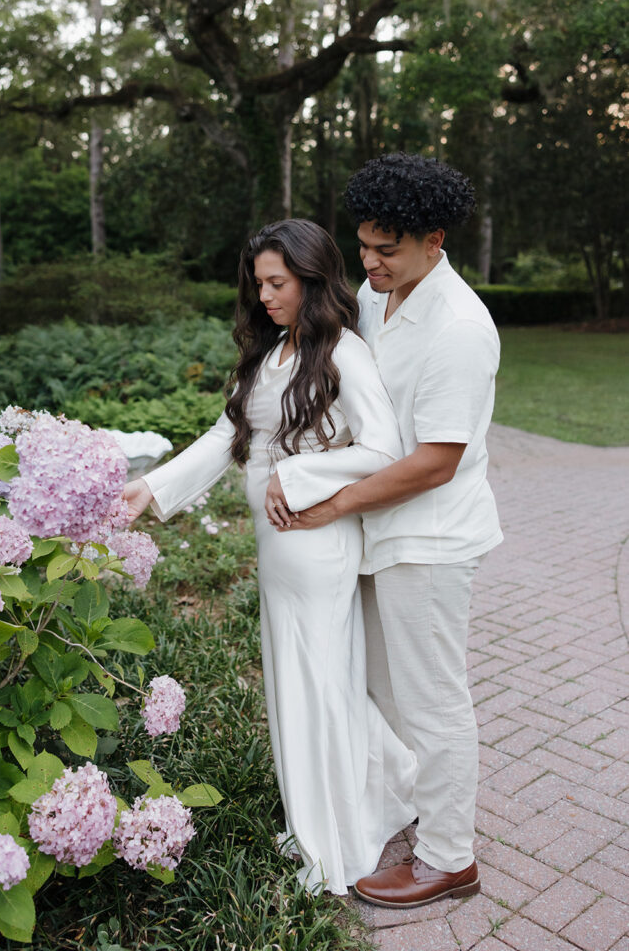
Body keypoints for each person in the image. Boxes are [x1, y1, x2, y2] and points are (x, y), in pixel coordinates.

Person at [123, 218, 418, 895]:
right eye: (258, 284)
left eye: (277, 282)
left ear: (313, 281)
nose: (264, 296)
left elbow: (384, 451)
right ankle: (368, 792)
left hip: (319, 544)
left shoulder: (343, 350)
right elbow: (227, 433)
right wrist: (150, 488)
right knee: (299, 686)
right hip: (278, 550)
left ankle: (331, 843)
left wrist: (301, 474)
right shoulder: (272, 354)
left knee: (318, 687)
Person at [265, 154, 503, 908]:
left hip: (427, 539)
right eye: (362, 244)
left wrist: (333, 503)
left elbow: (435, 461)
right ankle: (398, 802)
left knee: (433, 700)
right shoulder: (380, 295)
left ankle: (448, 858)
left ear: (434, 239)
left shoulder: (460, 328)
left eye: (386, 249)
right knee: (385, 692)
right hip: (380, 530)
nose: (367, 263)